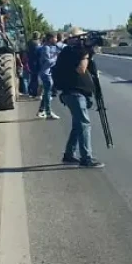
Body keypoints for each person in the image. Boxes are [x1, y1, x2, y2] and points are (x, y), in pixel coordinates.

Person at [52, 27, 103, 167]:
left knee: (77, 125)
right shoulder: (73, 52)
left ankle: (69, 154)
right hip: (74, 94)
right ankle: (86, 158)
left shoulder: (69, 51)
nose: (83, 40)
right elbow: (81, 69)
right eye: (80, 37)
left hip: (73, 94)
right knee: (84, 124)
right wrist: (86, 55)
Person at [35, 33, 61, 120]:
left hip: (47, 72)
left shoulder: (51, 47)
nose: (56, 40)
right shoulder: (46, 48)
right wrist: (56, 58)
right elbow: (47, 61)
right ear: (50, 39)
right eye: (55, 38)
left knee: (47, 93)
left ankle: (41, 111)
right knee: (47, 93)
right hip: (45, 73)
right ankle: (48, 113)